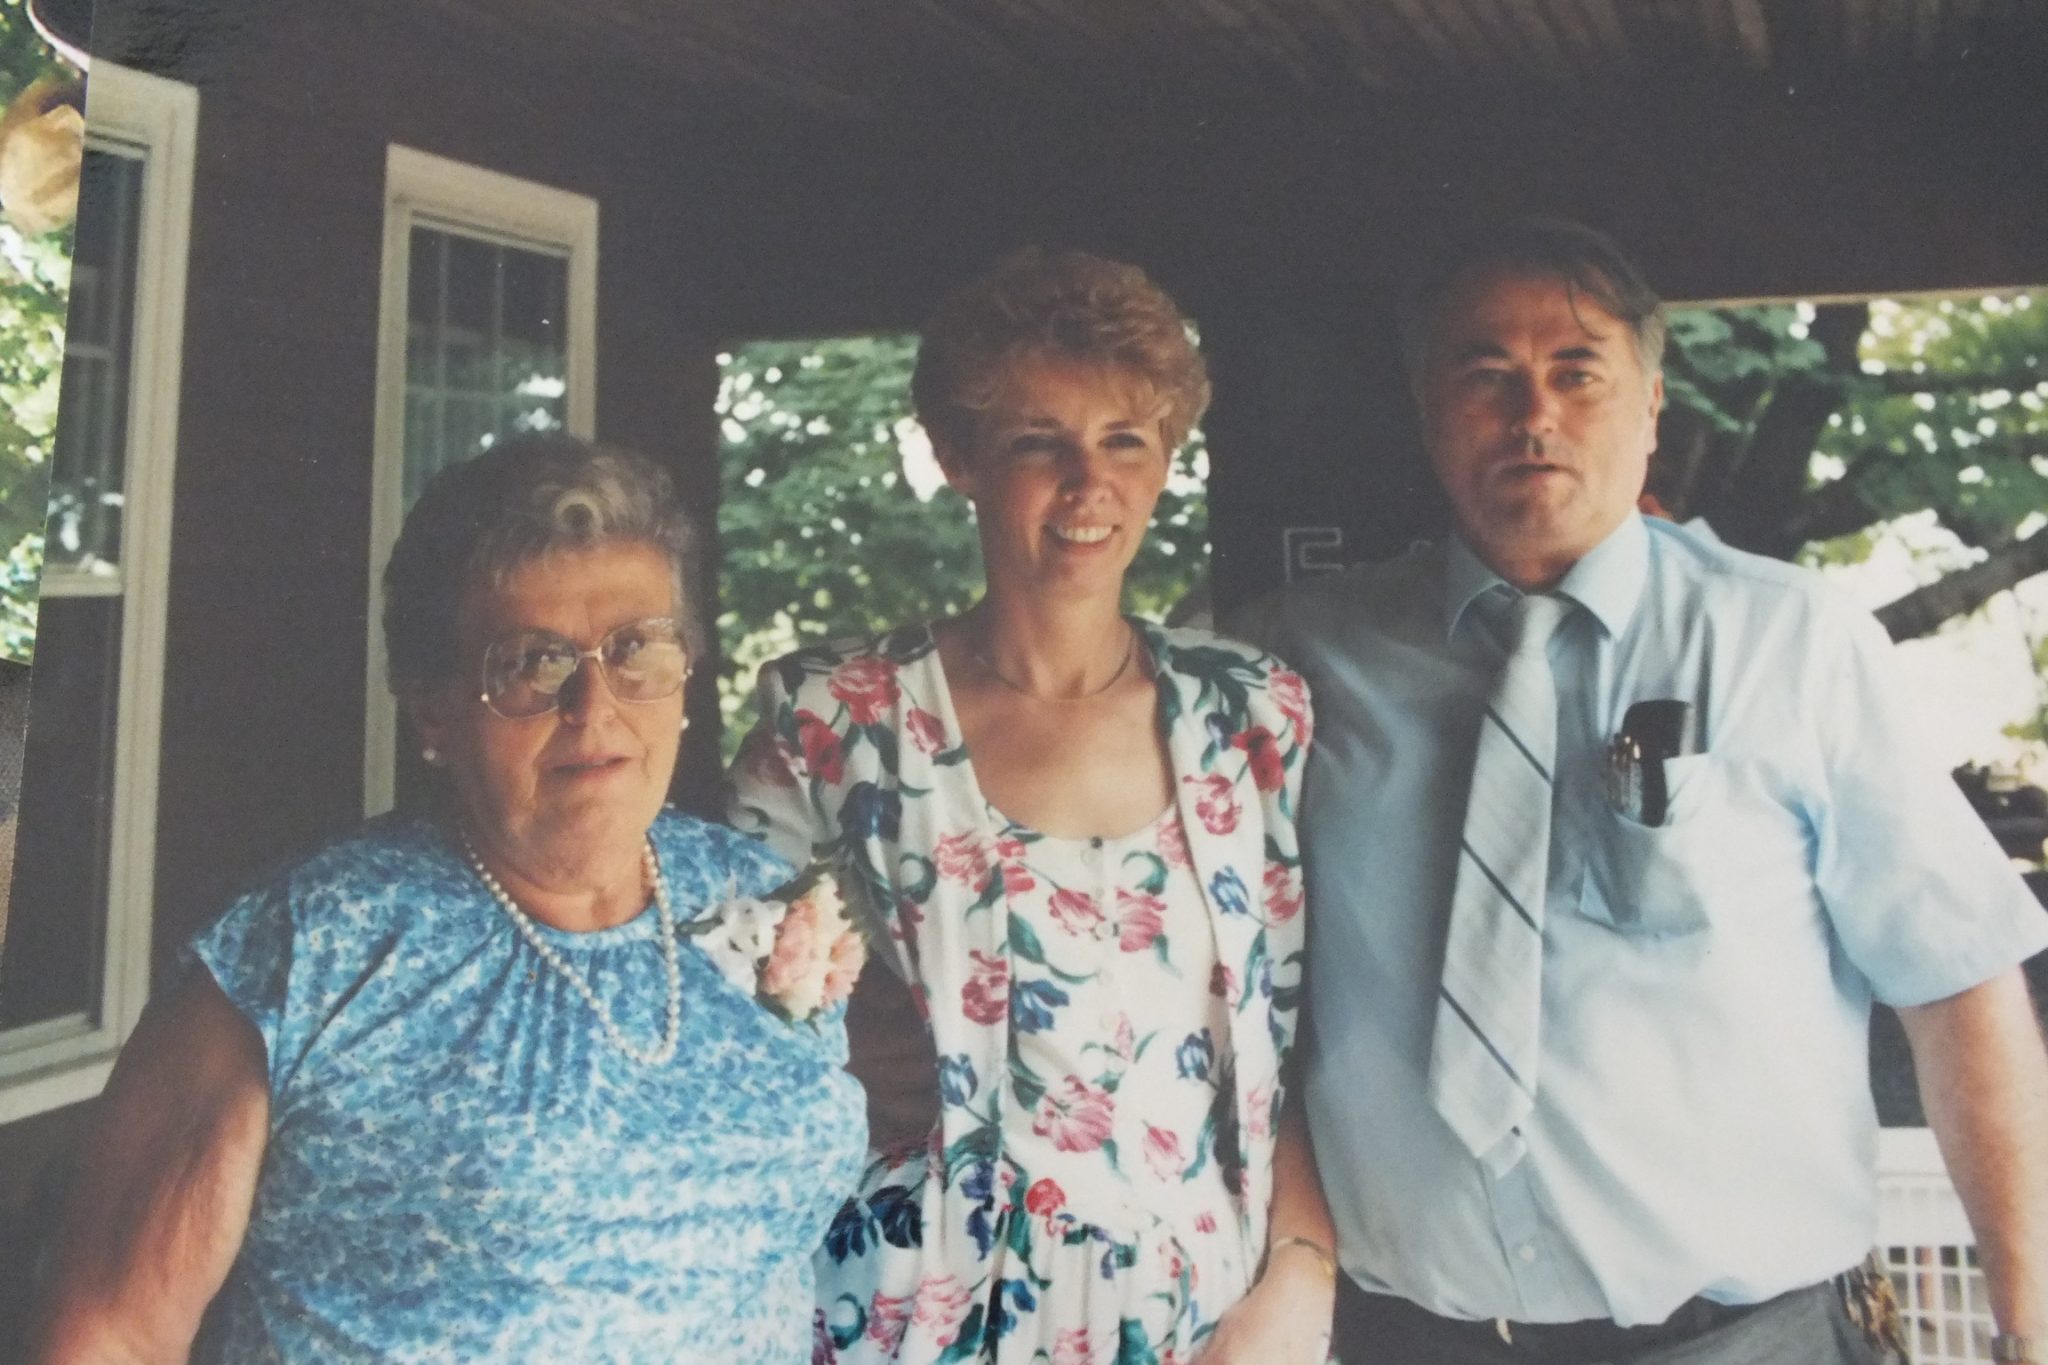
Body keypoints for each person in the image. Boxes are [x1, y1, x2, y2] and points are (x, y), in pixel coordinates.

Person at [1248, 216, 2048, 1364]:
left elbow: (1954, 981)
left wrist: (2025, 1323)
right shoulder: (1297, 667)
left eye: (1576, 371)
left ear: (1650, 402)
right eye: (1485, 376)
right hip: (1404, 1338)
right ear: (1424, 409)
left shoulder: (1788, 640)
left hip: (1743, 1342)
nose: (1533, 414)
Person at [29, 434, 867, 1363]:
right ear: (433, 711)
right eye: (533, 662)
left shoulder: (753, 897)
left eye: (635, 648)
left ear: (684, 678)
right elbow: (105, 1332)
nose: (594, 704)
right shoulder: (312, 946)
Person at [728, 248, 1337, 1364]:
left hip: (1202, 1317)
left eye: (1122, 441)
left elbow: (1293, 1047)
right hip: (905, 1314)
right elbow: (733, 1034)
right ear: (958, 456)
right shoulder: (835, 719)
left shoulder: (1250, 718)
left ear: (1164, 464)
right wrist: (834, 1049)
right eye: (1035, 443)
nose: (1086, 483)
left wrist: (1301, 1274)